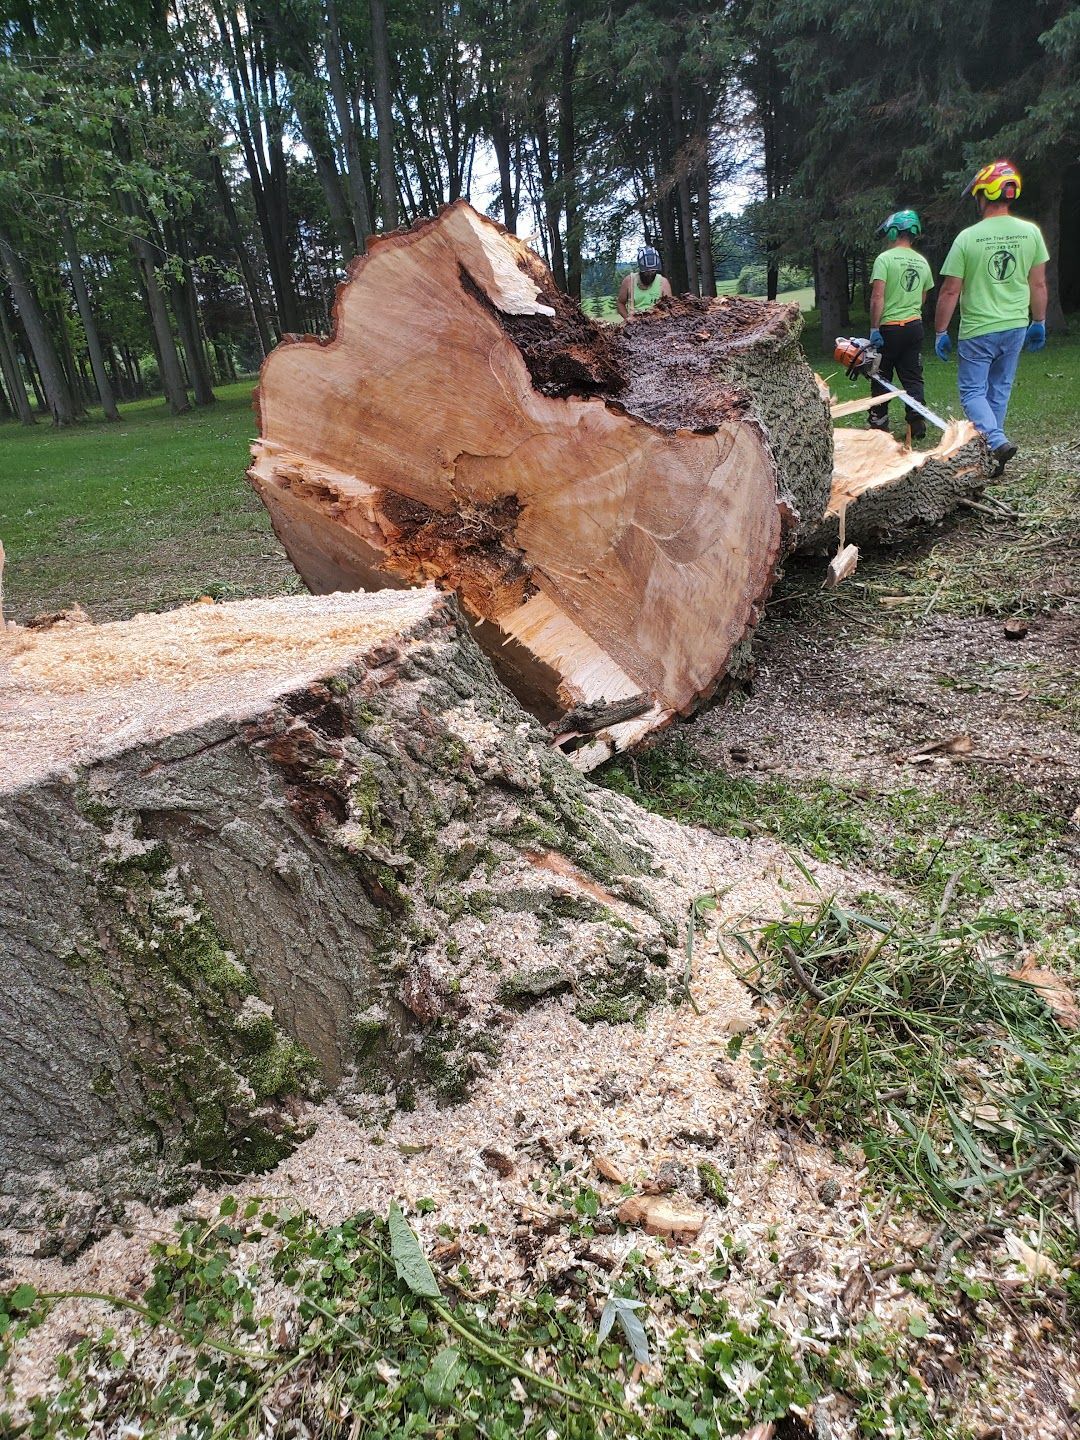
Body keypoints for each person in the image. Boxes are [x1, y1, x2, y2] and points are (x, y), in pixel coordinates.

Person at [933, 159, 1048, 475]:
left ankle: (995, 440)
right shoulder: (1031, 233)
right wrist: (1038, 321)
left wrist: (941, 331)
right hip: (1015, 326)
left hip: (979, 329)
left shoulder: (968, 238)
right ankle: (994, 454)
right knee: (999, 389)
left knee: (972, 392)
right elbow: (1037, 283)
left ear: (984, 194)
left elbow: (949, 291)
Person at [867, 209, 935, 440]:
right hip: (914, 326)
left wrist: (875, 328)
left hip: (889, 328)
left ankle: (879, 421)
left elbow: (878, 296)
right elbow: (923, 297)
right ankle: (916, 419)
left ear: (894, 231)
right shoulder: (922, 262)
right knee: (913, 376)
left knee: (881, 375)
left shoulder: (884, 259)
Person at [616, 246, 672, 320]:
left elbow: (670, 306)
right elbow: (620, 303)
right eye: (647, 271)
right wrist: (628, 319)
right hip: (635, 323)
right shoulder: (629, 281)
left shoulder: (663, 282)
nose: (650, 274)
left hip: (658, 323)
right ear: (641, 269)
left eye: (653, 271)